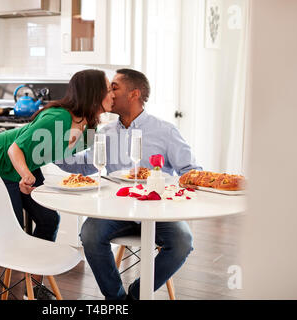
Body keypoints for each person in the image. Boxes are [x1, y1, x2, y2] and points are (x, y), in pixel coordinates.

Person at [0, 69, 115, 300]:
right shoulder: (59, 117)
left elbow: (67, 158)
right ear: (94, 93)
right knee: (3, 234)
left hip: (27, 164)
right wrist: (25, 175)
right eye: (108, 89)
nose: (112, 94)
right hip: (0, 158)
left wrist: (99, 175)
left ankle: (33, 286)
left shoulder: (90, 125)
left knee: (49, 219)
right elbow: (15, 148)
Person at [56, 68, 202, 300]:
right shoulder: (104, 131)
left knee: (183, 241)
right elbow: (86, 164)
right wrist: (53, 153)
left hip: (157, 211)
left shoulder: (165, 131)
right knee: (90, 234)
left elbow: (191, 171)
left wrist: (170, 188)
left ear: (134, 94)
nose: (109, 93)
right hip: (116, 209)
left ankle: (134, 296)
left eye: (114, 87)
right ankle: (116, 300)